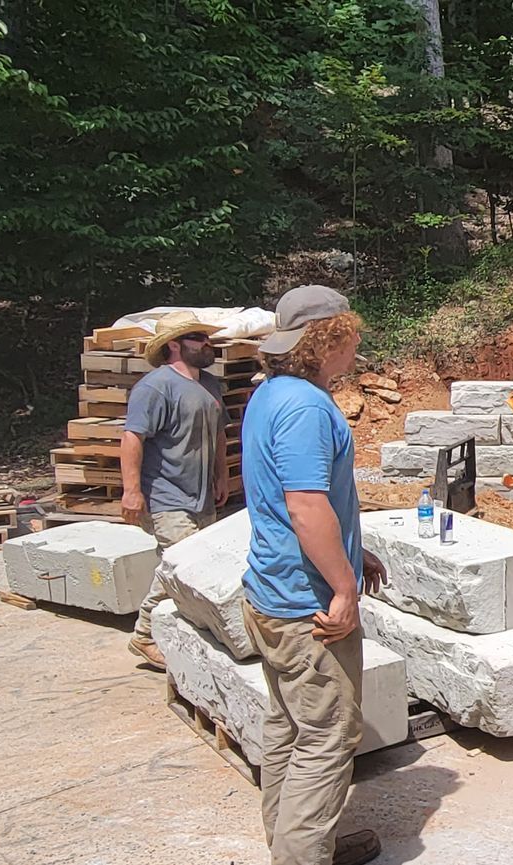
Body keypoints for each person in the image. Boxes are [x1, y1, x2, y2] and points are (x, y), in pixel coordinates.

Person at [240, 284, 387, 865]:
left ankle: (295, 840)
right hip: (309, 605)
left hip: (273, 590)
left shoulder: (271, 394)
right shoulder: (304, 407)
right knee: (327, 739)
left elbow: (295, 499)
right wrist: (344, 586)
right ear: (330, 337)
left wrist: (356, 553)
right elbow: (304, 505)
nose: (356, 343)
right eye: (350, 332)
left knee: (288, 726)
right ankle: (301, 856)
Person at [124, 311, 230, 669]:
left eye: (205, 337)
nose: (207, 344)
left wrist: (221, 476)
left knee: (187, 566)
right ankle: (143, 635)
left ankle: (179, 631)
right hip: (166, 495)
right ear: (174, 345)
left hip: (201, 494)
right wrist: (131, 491)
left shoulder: (210, 385)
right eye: (197, 338)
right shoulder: (155, 387)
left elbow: (218, 435)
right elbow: (133, 438)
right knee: (181, 564)